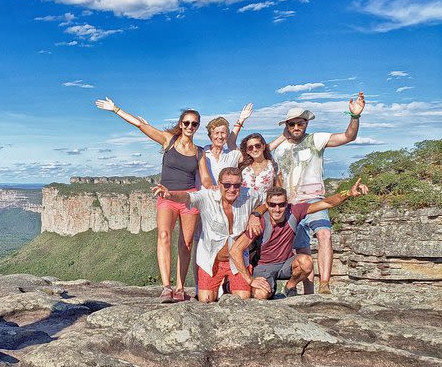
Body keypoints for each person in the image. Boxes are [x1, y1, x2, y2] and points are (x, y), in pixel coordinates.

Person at [95, 97, 212, 303]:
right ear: (180, 124)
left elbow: (204, 178)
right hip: (165, 196)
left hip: (188, 198)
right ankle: (166, 287)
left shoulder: (199, 152)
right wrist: (115, 109)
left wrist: (212, 186)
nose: (190, 126)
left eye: (194, 123)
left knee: (185, 244)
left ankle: (180, 287)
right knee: (164, 236)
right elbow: (141, 125)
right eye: (186, 123)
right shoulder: (169, 140)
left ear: (198, 126)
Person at [269, 92, 366, 294]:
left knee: (324, 235)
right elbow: (259, 154)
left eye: (300, 123)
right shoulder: (280, 148)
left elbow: (348, 137)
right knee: (301, 249)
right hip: (291, 204)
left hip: (314, 199)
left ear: (306, 124)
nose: (297, 127)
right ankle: (309, 292)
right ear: (286, 126)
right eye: (292, 124)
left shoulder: (316, 139)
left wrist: (355, 116)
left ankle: (325, 285)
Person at [228, 179, 369, 299]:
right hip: (264, 267)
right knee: (260, 295)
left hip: (286, 264)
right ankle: (270, 290)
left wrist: (348, 193)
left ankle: (291, 286)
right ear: (267, 204)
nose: (277, 209)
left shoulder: (294, 211)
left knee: (306, 262)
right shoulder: (260, 223)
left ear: (287, 203)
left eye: (281, 204)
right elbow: (235, 250)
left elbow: (327, 203)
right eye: (272, 205)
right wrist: (250, 280)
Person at [152, 167, 265, 303]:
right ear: (219, 184)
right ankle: (225, 286)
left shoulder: (248, 195)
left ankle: (228, 286)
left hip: (237, 262)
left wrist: (256, 214)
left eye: (237, 185)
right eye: (227, 185)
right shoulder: (207, 197)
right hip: (211, 261)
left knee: (242, 299)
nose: (232, 189)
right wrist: (170, 195)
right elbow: (188, 197)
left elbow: (266, 201)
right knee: (206, 300)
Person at [202, 103, 253, 185]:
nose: (220, 136)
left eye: (223, 133)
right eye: (216, 133)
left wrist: (241, 120)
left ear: (228, 135)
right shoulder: (201, 152)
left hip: (228, 196)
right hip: (206, 196)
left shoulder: (233, 154)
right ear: (210, 136)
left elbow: (257, 152)